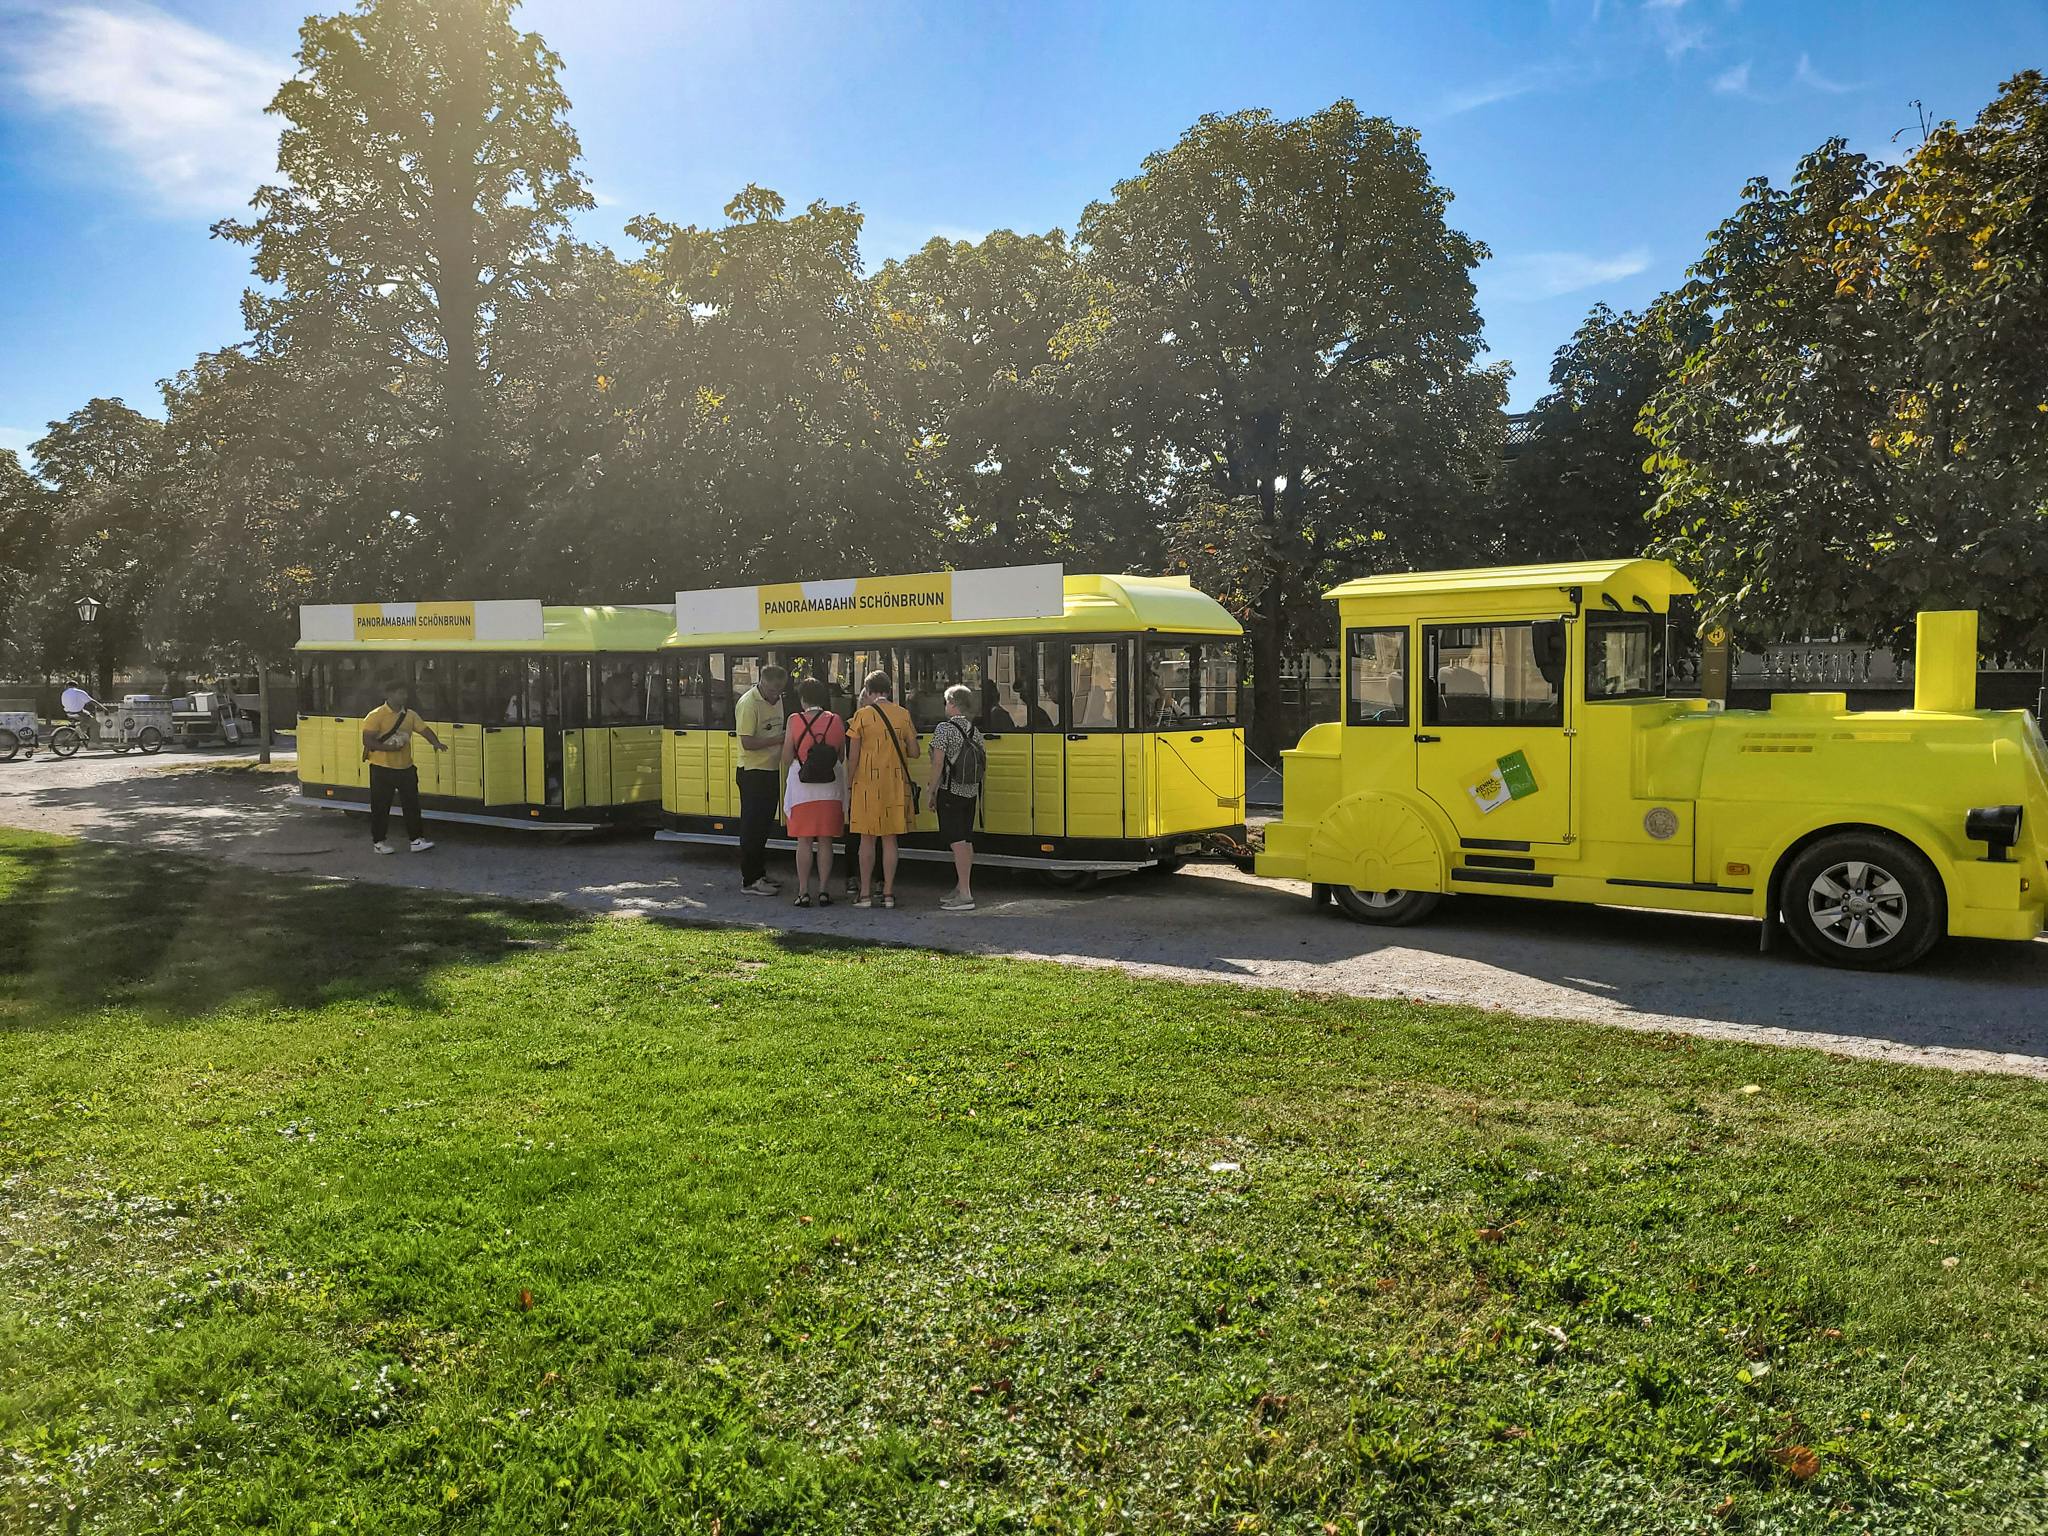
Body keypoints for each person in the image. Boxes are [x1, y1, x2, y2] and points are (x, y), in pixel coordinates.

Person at [845, 670, 916, 909]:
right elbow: (914, 751)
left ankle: (864, 894)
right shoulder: (903, 714)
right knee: (890, 840)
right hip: (895, 784)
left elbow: (852, 757)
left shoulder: (861, 716)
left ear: (868, 690)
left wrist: (848, 783)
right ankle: (888, 894)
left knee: (866, 840)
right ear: (888, 690)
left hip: (866, 784)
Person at [780, 677, 846, 908]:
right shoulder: (836, 720)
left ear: (802, 699)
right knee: (826, 841)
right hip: (829, 787)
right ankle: (824, 890)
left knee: (804, 841)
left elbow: (787, 757)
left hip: (802, 788)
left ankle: (803, 891)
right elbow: (840, 756)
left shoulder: (794, 720)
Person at [361, 678, 447, 855]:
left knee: (412, 805)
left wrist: (436, 743)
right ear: (389, 694)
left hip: (405, 768)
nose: (404, 696)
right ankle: (379, 842)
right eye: (401, 693)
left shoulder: (410, 715)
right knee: (380, 806)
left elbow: (424, 730)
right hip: (381, 768)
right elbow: (368, 741)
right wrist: (389, 748)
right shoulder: (375, 715)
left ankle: (416, 840)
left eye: (405, 693)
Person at [925, 682, 984, 912]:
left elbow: (938, 763)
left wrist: (931, 791)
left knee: (956, 842)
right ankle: (961, 887)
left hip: (950, 791)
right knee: (966, 840)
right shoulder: (974, 731)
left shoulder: (944, 729)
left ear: (952, 704)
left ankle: (965, 895)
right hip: (970, 791)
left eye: (946, 702)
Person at [733, 664, 787, 896]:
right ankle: (750, 880)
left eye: (779, 691)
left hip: (771, 770)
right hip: (753, 771)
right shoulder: (748, 703)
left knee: (764, 826)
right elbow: (747, 741)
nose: (775, 696)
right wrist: (778, 739)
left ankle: (760, 873)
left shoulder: (778, 698)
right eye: (772, 691)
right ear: (762, 682)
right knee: (752, 827)